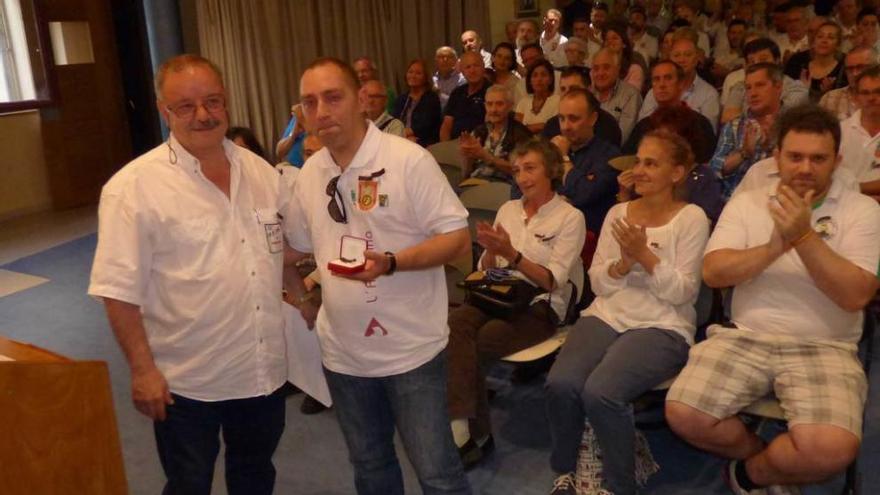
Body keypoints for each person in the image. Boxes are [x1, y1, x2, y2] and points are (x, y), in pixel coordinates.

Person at [89, 54, 299, 495]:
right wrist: (142, 371)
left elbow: (278, 250)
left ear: (226, 102)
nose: (203, 115)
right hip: (187, 381)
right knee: (189, 483)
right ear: (165, 112)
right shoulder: (133, 188)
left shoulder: (260, 171)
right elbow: (117, 291)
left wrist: (307, 295)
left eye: (213, 101)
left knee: (256, 474)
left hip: (261, 369)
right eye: (185, 106)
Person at [666, 104, 880, 495]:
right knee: (683, 414)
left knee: (833, 450)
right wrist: (772, 247)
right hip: (745, 336)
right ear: (777, 156)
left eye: (818, 158)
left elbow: (857, 295)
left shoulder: (862, 210)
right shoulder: (748, 203)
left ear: (838, 160)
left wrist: (803, 237)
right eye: (795, 156)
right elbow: (714, 272)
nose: (804, 168)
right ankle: (765, 456)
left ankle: (751, 475)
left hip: (825, 345)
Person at [289, 57, 472, 494]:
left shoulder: (408, 160)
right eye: (310, 102)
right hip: (343, 355)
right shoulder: (311, 173)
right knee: (370, 468)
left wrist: (391, 262)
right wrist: (300, 297)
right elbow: (295, 248)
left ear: (361, 101)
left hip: (411, 351)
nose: (322, 111)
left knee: (438, 473)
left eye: (333, 97)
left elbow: (458, 241)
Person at [546, 129, 709, 495]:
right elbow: (599, 283)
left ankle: (620, 486)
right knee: (561, 383)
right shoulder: (618, 212)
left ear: (677, 173)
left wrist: (646, 257)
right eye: (638, 161)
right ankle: (567, 469)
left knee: (602, 392)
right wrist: (622, 265)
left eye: (652, 163)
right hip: (609, 313)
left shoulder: (691, 218)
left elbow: (684, 293)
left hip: (663, 324)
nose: (640, 170)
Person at [447, 137, 586, 469]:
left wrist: (512, 254)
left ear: (551, 170)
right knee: (453, 327)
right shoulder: (508, 210)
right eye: (518, 169)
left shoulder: (570, 217)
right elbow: (487, 270)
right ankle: (464, 431)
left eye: (531, 168)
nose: (523, 177)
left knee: (480, 342)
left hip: (541, 304)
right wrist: (492, 250)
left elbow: (553, 281)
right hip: (499, 293)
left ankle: (466, 434)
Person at [710, 63, 785, 200]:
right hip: (734, 203)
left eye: (760, 85)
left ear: (778, 87)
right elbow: (715, 169)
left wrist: (772, 146)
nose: (753, 93)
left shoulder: (793, 126)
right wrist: (743, 153)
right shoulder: (735, 125)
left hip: (777, 203)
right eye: (748, 88)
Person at [551, 88, 621, 235]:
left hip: (587, 236)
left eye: (573, 118)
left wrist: (564, 159)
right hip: (548, 230)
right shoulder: (550, 149)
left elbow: (584, 193)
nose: (565, 127)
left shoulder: (609, 155)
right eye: (561, 118)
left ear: (593, 119)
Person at [625, 60, 717, 164]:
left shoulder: (699, 124)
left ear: (681, 84)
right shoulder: (643, 125)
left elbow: (706, 163)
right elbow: (628, 160)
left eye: (668, 78)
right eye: (656, 79)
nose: (662, 85)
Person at [638, 30, 720, 132]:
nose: (681, 60)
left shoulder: (709, 94)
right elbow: (642, 129)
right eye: (676, 55)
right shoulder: (655, 92)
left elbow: (707, 134)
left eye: (687, 55)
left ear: (696, 58)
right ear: (670, 58)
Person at [721, 37, 810, 124]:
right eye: (752, 61)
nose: (757, 64)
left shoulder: (796, 88)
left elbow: (783, 117)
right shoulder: (740, 87)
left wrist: (745, 116)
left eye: (763, 59)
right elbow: (727, 118)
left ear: (777, 61)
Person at [460, 84, 532, 183]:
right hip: (474, 183)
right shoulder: (479, 131)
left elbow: (520, 170)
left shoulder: (521, 134)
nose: (494, 110)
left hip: (502, 187)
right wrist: (467, 156)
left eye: (499, 104)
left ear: (510, 106)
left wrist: (486, 156)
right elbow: (465, 174)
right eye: (489, 104)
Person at [543, 66, 624, 148]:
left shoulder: (608, 125)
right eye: (563, 89)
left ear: (589, 89)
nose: (567, 94)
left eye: (573, 89)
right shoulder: (552, 124)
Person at [839, 65, 880, 200]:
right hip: (843, 208)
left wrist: (854, 188)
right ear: (855, 98)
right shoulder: (839, 132)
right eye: (865, 93)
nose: (872, 98)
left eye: (878, 92)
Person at [590, 48, 643, 143]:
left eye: (606, 67)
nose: (600, 73)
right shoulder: (586, 94)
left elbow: (622, 137)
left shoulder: (631, 95)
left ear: (617, 69)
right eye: (596, 68)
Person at [784, 21, 846, 102]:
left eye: (830, 37)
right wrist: (802, 90)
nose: (824, 40)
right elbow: (784, 95)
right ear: (814, 41)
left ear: (838, 44)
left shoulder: (844, 66)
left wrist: (828, 94)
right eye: (820, 36)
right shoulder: (797, 61)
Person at [393, 58, 442, 147]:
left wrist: (402, 135)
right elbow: (394, 121)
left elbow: (425, 126)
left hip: (425, 141)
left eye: (418, 73)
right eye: (410, 72)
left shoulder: (431, 98)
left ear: (425, 77)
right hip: (401, 138)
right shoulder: (402, 98)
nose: (413, 76)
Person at [441, 51, 489, 141]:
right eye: (468, 67)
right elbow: (446, 126)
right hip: (454, 145)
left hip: (479, 145)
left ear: (483, 67)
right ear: (462, 72)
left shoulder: (492, 92)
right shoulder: (457, 93)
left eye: (476, 66)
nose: (472, 70)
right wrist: (445, 146)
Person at [819, 46, 877, 120]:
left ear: (876, 67)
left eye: (860, 67)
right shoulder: (829, 99)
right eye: (850, 69)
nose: (854, 73)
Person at [515, 59, 560, 134]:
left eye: (543, 75)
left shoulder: (558, 101)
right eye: (535, 75)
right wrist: (541, 126)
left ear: (551, 79)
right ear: (530, 81)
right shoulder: (523, 102)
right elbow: (516, 129)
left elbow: (554, 128)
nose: (539, 79)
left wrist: (527, 128)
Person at [603, 21, 648, 92]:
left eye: (614, 38)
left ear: (624, 43)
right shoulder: (599, 68)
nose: (609, 41)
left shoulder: (634, 70)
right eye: (607, 39)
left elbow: (631, 96)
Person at [434, 46, 466, 111]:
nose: (445, 59)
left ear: (455, 60)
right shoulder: (432, 80)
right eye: (441, 57)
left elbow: (458, 104)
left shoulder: (462, 80)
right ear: (436, 61)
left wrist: (439, 93)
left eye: (449, 57)